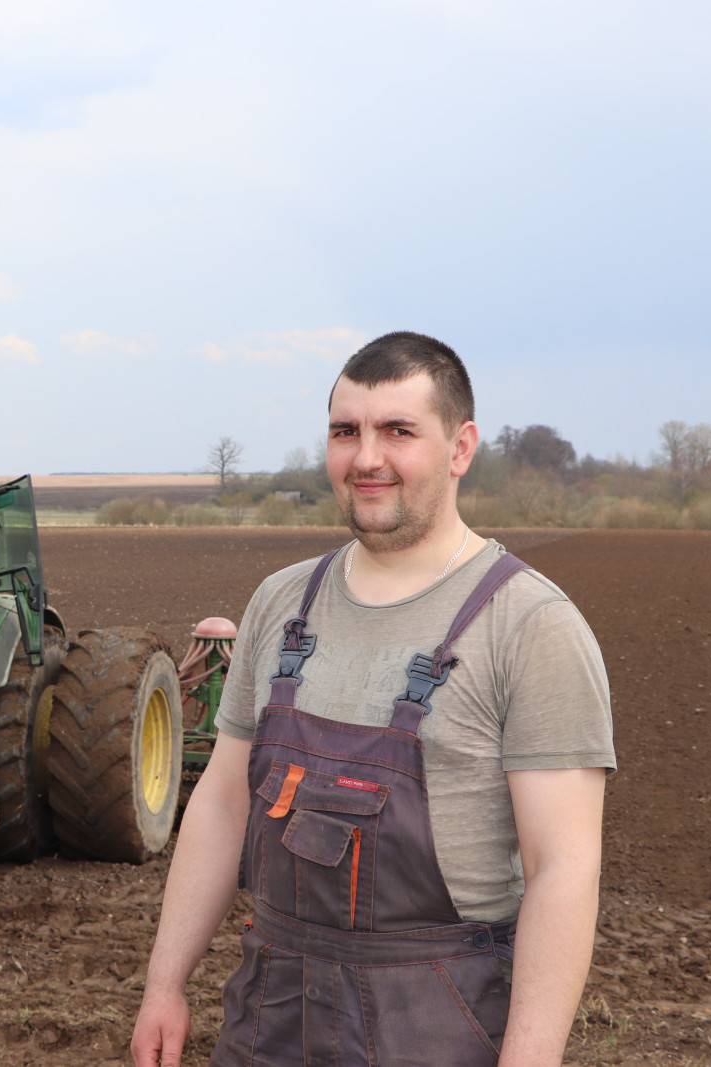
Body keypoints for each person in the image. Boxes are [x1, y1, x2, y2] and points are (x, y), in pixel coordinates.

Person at [131, 331, 615, 1066]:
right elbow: (224, 805)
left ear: (460, 447)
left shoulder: (530, 626)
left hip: (435, 1023)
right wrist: (165, 982)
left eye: (398, 431)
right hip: (272, 1017)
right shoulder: (283, 603)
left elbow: (564, 870)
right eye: (345, 432)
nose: (366, 458)